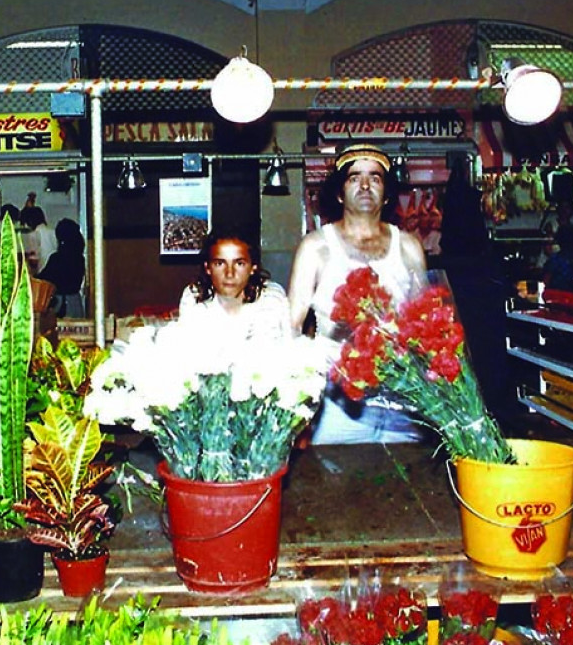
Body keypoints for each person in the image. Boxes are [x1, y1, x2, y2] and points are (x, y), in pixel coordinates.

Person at [288, 143, 428, 444]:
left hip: (402, 395)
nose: (365, 186)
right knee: (332, 472)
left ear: (387, 194)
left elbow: (425, 322)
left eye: (375, 178)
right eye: (354, 178)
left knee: (408, 472)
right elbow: (292, 326)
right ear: (340, 193)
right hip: (338, 401)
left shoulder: (408, 246)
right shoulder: (315, 246)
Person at [178, 229, 290, 344]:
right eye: (219, 263)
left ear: (253, 267)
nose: (229, 274)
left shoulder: (270, 299)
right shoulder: (194, 297)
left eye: (239, 263)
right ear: (208, 268)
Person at [38, 219, 87, 318]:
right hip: (75, 302)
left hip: (60, 303)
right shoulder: (79, 258)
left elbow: (45, 278)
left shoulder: (57, 258)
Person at [21, 206, 58, 275]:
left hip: (41, 272)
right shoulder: (53, 232)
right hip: (55, 271)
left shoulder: (33, 234)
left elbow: (33, 259)